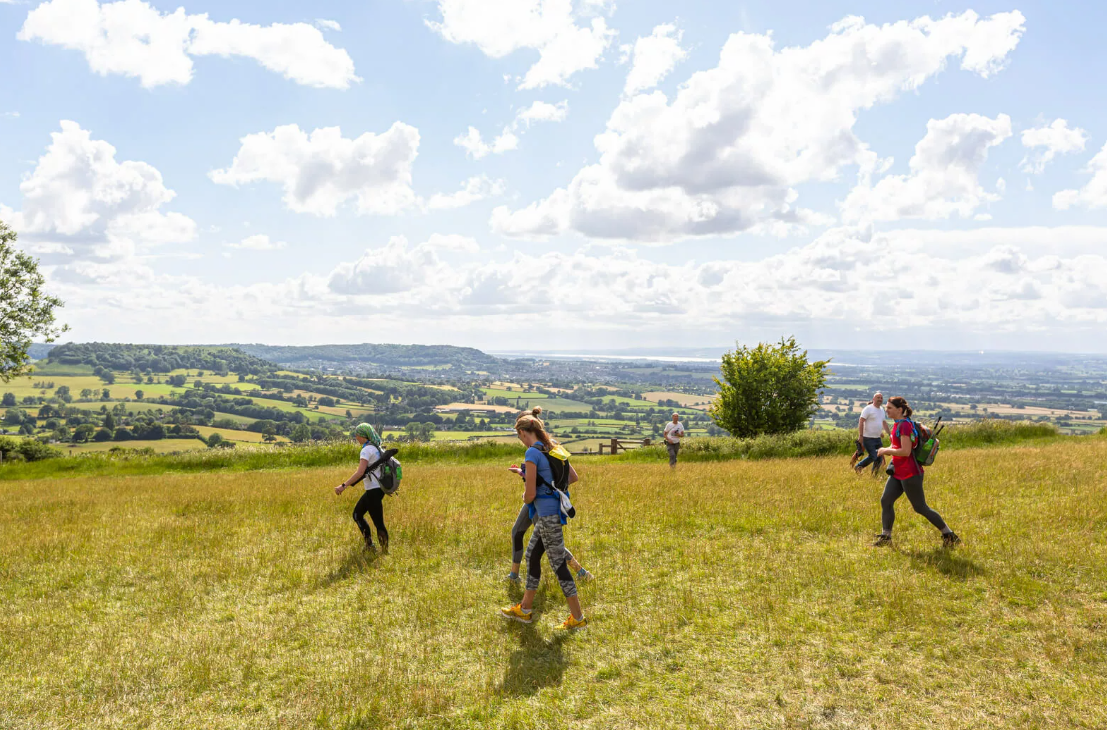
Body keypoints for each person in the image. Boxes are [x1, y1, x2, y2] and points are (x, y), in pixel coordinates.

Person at [500, 407, 588, 631]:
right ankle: (525, 609)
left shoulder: (531, 453)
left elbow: (529, 495)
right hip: (554, 512)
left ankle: (577, 618)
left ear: (523, 433)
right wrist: (552, 489)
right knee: (532, 555)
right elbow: (573, 477)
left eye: (519, 437)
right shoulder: (554, 447)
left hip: (546, 516)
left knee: (559, 565)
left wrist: (529, 493)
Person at [873, 397, 960, 547]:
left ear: (900, 410)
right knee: (886, 500)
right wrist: (886, 449)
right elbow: (897, 444)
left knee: (920, 507)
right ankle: (886, 537)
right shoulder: (899, 424)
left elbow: (905, 451)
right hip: (898, 472)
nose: (886, 410)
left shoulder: (905, 426)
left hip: (910, 473)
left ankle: (949, 535)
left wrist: (885, 450)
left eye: (889, 408)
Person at [334, 423, 390, 553]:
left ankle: (383, 551)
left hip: (373, 491)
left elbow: (360, 472)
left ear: (362, 435)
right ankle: (370, 545)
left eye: (356, 435)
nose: (356, 437)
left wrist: (343, 486)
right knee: (357, 514)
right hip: (377, 489)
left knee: (377, 522)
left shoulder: (366, 450)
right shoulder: (375, 448)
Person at [854, 392, 892, 476]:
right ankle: (858, 466)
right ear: (873, 399)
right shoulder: (868, 409)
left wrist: (890, 434)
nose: (880, 399)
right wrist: (860, 436)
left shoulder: (881, 410)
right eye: (878, 397)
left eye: (881, 398)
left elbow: (883, 423)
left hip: (877, 438)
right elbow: (861, 421)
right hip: (867, 438)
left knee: (879, 458)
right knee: (873, 456)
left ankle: (874, 475)